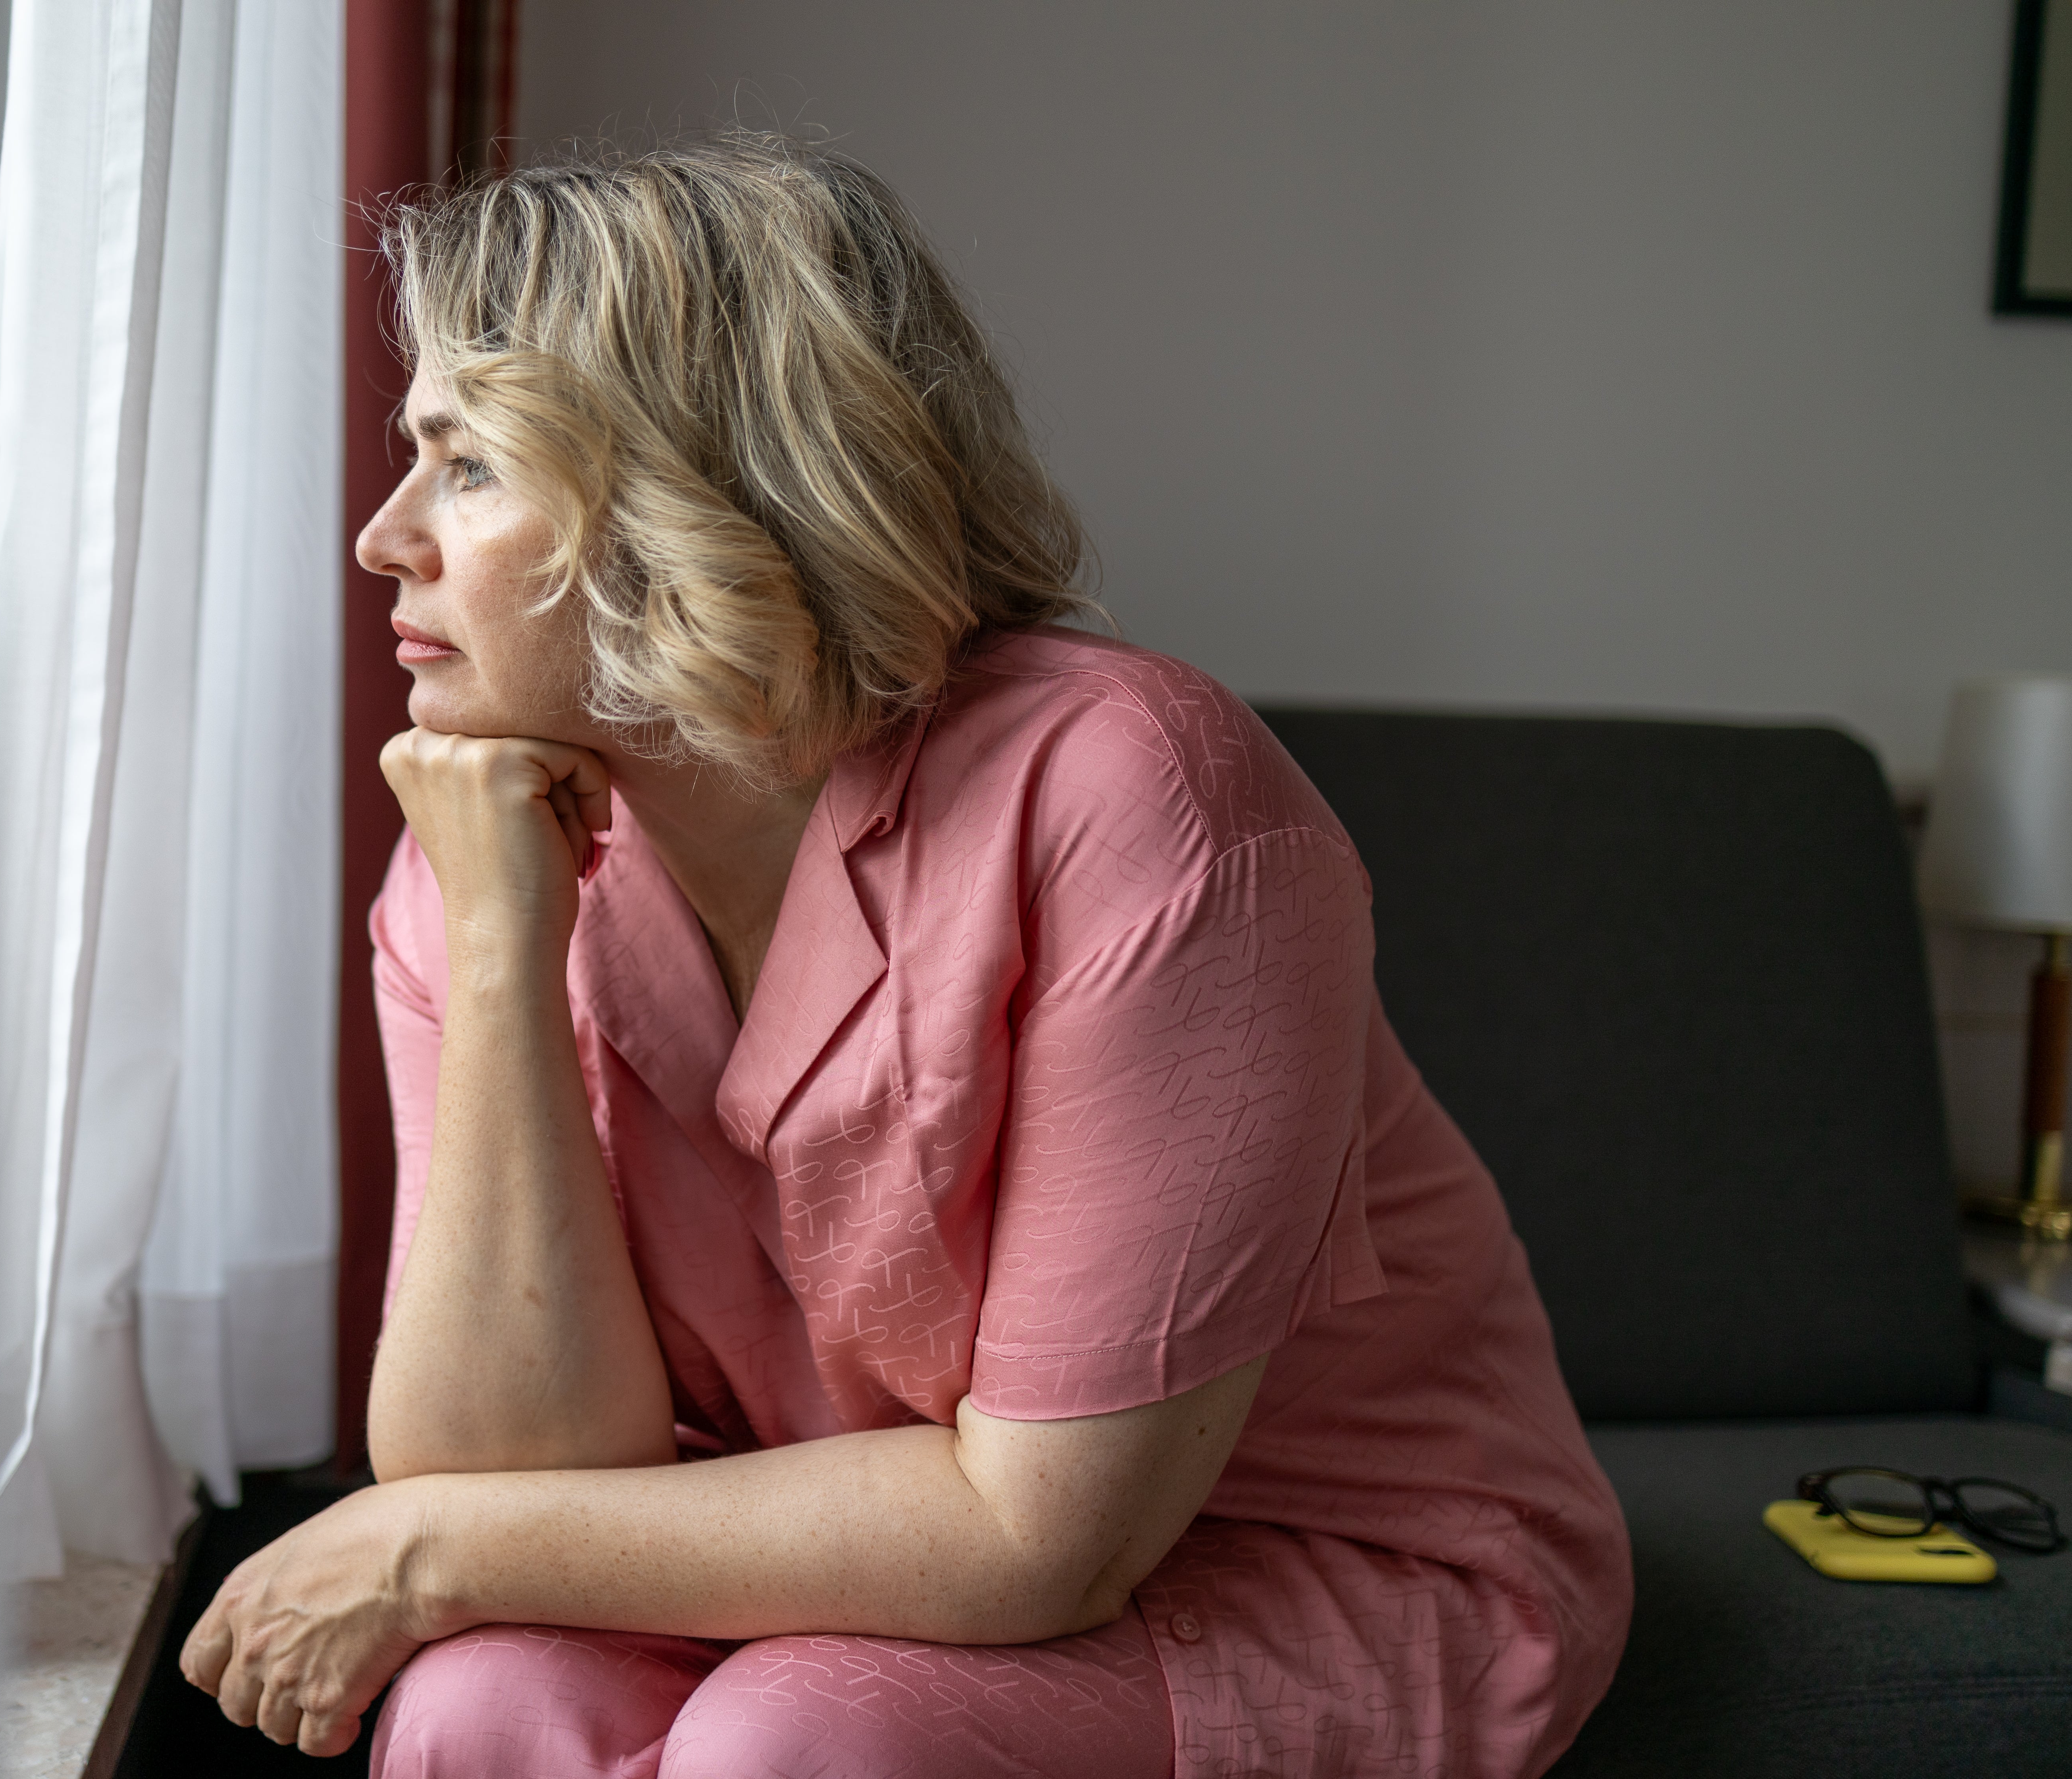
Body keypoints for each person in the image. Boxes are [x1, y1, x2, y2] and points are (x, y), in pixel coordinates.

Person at [179, 134, 1631, 1779]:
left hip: (1292, 1553)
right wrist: (510, 944)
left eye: (470, 464)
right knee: (475, 1704)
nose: (383, 535)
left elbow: (1037, 1536)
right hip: (794, 1543)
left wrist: (417, 1551)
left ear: (693, 487)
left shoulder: (1139, 790)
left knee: (794, 1745)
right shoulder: (478, 845)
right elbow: (492, 1461)